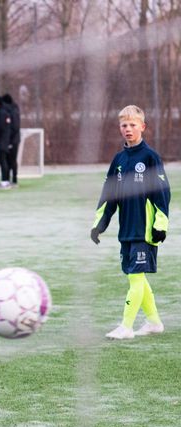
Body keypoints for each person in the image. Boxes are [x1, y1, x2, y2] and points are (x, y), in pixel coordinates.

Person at [90, 105, 170, 340]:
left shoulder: (150, 157)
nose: (128, 129)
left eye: (133, 124)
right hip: (126, 229)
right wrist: (100, 224)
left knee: (135, 277)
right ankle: (154, 322)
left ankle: (126, 327)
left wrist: (160, 225)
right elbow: (109, 195)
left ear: (142, 127)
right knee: (136, 276)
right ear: (120, 128)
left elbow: (162, 194)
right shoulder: (119, 159)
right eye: (124, 125)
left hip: (144, 230)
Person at [2, 93, 21, 185]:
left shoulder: (13, 112)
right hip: (11, 139)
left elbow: (14, 127)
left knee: (12, 159)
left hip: (13, 140)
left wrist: (10, 139)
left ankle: (14, 179)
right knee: (8, 160)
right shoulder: (13, 110)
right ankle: (8, 178)